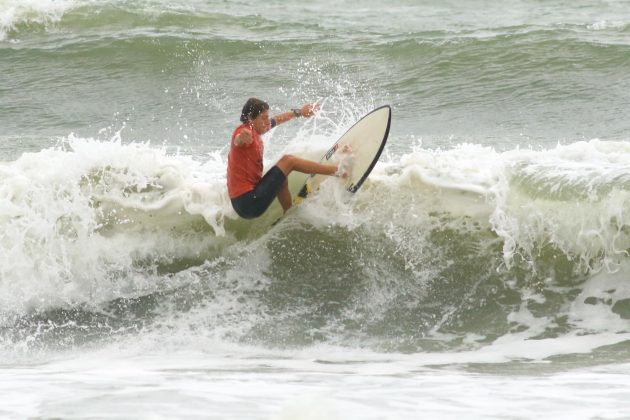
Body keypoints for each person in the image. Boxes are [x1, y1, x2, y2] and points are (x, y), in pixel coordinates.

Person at [227, 97, 344, 219]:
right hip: (248, 202)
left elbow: (276, 120)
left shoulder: (257, 128)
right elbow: (237, 141)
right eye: (263, 118)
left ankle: (288, 213)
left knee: (280, 177)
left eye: (267, 117)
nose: (267, 122)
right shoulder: (244, 131)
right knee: (288, 161)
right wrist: (241, 138)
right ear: (251, 118)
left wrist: (299, 112)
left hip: (244, 203)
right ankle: (337, 171)